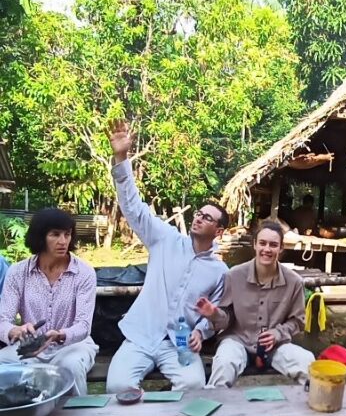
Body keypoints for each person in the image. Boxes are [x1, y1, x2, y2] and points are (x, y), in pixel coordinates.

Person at [187, 220, 346, 416]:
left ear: (281, 249)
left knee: (309, 365)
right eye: (262, 243)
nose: (267, 249)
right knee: (223, 366)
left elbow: (297, 320)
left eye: (273, 244)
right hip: (238, 339)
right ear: (254, 245)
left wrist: (277, 333)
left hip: (274, 345)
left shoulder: (294, 281)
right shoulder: (234, 276)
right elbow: (226, 318)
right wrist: (213, 314)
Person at [106, 120, 229, 394]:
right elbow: (134, 208)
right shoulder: (165, 239)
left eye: (207, 217)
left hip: (180, 342)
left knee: (194, 384)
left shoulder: (219, 271)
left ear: (218, 231)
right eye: (198, 213)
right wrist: (121, 158)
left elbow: (216, 313)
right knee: (117, 385)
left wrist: (200, 332)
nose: (198, 217)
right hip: (142, 333)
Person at [0, 208, 98, 394]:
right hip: (31, 347)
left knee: (70, 367)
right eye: (55, 234)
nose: (63, 241)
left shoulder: (84, 273)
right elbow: (2, 319)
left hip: (73, 345)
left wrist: (60, 334)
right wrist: (15, 330)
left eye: (67, 234)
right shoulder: (18, 272)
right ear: (40, 237)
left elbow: (84, 325)